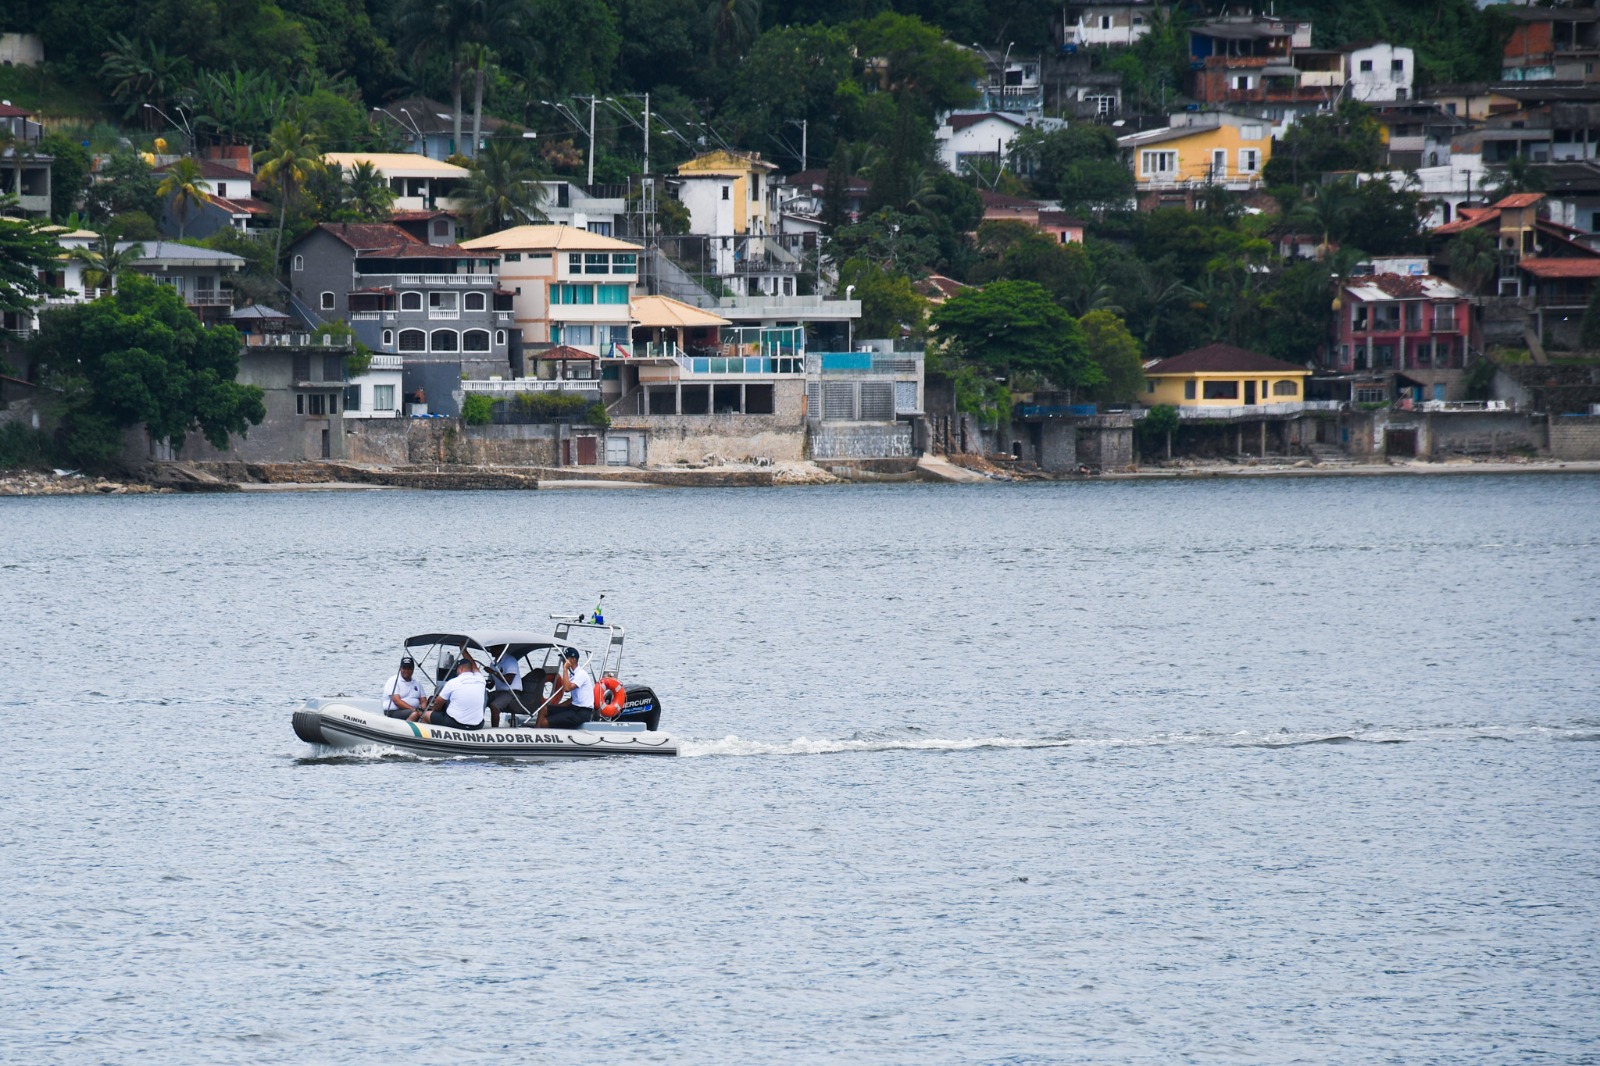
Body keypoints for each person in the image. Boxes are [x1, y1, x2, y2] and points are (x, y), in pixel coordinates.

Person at [410, 653, 486, 730]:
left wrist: (435, 711)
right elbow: (474, 665)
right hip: (477, 725)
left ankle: (427, 738)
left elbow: (438, 702)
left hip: (455, 723)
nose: (457, 672)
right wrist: (464, 650)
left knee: (426, 715)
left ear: (461, 669)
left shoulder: (453, 682)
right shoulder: (481, 679)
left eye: (457, 669)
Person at [546, 647, 596, 730]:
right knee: (544, 709)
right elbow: (573, 699)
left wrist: (565, 669)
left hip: (582, 712)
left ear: (573, 659)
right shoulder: (572, 675)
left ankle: (541, 733)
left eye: (565, 658)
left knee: (545, 722)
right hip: (574, 708)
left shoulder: (581, 674)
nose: (562, 660)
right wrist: (557, 707)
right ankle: (536, 730)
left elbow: (567, 688)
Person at [486, 643, 523, 728]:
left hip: (512, 692)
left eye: (493, 648)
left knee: (494, 706)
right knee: (481, 698)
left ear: (500, 649)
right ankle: (475, 723)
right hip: (499, 692)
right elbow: (491, 685)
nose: (490, 650)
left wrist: (493, 672)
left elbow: (509, 680)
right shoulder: (493, 663)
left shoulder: (510, 660)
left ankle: (494, 730)